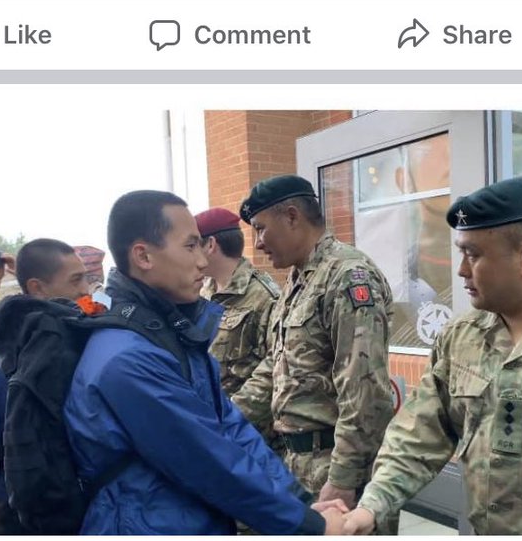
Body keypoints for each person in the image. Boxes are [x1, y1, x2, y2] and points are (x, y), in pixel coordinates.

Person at [64, 189, 350, 535]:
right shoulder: (127, 357)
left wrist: (301, 502)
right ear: (143, 256)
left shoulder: (171, 335)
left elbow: (232, 430)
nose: (202, 260)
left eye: (201, 245)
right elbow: (209, 461)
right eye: (190, 246)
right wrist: (312, 526)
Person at [340, 176, 522, 536]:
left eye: (473, 254)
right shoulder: (462, 337)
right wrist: (370, 507)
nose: (461, 269)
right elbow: (420, 433)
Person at [233, 176, 394, 508]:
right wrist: (228, 418)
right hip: (296, 464)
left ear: (292, 216)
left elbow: (362, 388)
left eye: (261, 229)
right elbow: (276, 366)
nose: (259, 243)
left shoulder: (347, 275)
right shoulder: (298, 279)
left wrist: (344, 480)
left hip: (335, 466)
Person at [0, 239, 91, 535]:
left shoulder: (15, 342)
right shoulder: (40, 353)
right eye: (76, 280)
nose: (86, 290)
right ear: (38, 287)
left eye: (87, 278)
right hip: (33, 507)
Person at [195, 207, 279, 398]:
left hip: (241, 421)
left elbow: (275, 368)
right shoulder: (202, 290)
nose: (189, 255)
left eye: (192, 246)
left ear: (210, 245)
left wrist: (231, 418)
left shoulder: (264, 297)